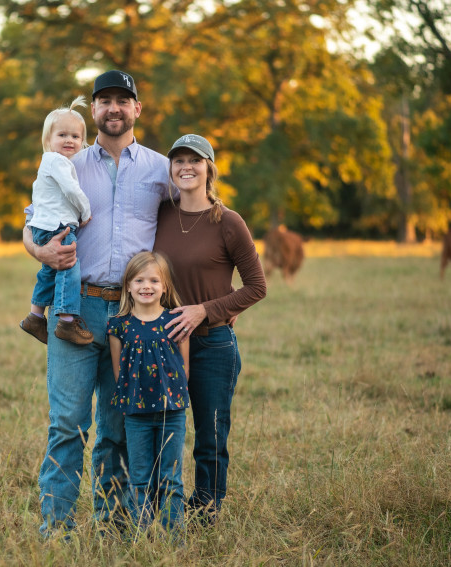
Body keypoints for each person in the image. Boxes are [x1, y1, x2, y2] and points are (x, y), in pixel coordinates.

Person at [23, 70, 172, 536]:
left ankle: (112, 525)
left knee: (116, 425)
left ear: (137, 110)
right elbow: (32, 222)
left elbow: (195, 210)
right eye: (104, 101)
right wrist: (38, 250)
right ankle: (56, 529)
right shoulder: (67, 160)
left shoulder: (158, 167)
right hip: (77, 308)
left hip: (131, 316)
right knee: (68, 424)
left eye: (122, 101)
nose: (114, 108)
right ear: (94, 110)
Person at [153, 133, 267, 525]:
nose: (186, 166)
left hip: (213, 345)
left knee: (210, 436)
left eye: (195, 160)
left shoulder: (228, 222)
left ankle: (206, 513)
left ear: (209, 168)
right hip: (164, 343)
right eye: (179, 160)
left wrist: (208, 309)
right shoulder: (161, 213)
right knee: (161, 431)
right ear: (171, 169)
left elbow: (257, 286)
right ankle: (162, 508)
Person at [108, 251, 190, 536]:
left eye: (154, 280)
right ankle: (140, 537)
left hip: (172, 412)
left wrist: (172, 397)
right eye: (139, 279)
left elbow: (184, 368)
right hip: (136, 416)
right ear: (128, 286)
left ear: (165, 286)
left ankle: (172, 537)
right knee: (140, 478)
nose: (147, 286)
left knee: (170, 477)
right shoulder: (118, 325)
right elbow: (119, 373)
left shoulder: (176, 321)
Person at [20, 96, 94, 346]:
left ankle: (35, 316)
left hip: (45, 223)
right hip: (58, 227)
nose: (69, 140)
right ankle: (66, 321)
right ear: (48, 140)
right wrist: (85, 212)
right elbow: (72, 190)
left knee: (48, 272)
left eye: (75, 136)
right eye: (62, 135)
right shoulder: (56, 161)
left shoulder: (50, 164)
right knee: (69, 268)